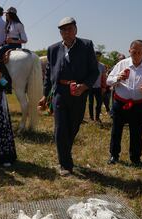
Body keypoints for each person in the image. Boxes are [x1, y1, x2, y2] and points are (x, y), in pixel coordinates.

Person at [38, 17, 99, 176]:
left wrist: (84, 86)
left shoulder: (86, 45)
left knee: (74, 125)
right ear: (60, 32)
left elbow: (94, 71)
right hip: (59, 93)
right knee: (60, 128)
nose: (67, 32)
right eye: (63, 30)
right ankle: (65, 163)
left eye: (70, 29)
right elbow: (49, 74)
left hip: (78, 93)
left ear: (76, 30)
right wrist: (45, 95)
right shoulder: (53, 49)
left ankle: (65, 151)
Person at [106, 40, 142, 166]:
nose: (137, 54)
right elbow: (108, 81)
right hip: (120, 102)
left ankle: (135, 158)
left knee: (137, 132)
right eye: (134, 51)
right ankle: (114, 155)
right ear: (129, 51)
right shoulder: (121, 64)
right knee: (116, 130)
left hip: (139, 104)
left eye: (140, 52)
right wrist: (118, 77)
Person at [88, 50, 107, 122]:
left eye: (99, 56)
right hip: (90, 87)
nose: (97, 58)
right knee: (90, 103)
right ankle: (91, 117)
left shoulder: (102, 66)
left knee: (99, 103)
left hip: (98, 87)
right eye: (96, 56)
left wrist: (104, 87)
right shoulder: (89, 64)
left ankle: (97, 117)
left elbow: (104, 77)